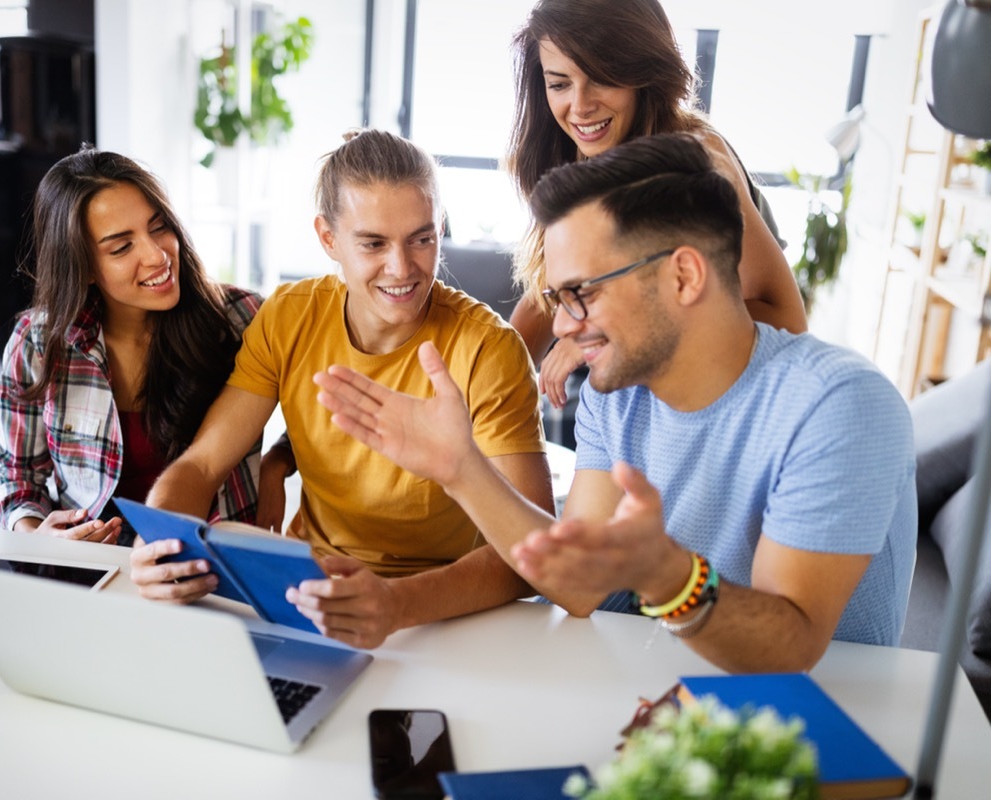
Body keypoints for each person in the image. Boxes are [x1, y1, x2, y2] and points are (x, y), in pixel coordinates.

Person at [314, 133, 915, 673]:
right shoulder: (616, 396)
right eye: (558, 298)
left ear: (683, 276)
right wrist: (459, 467)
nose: (566, 328)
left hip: (821, 726)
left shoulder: (839, 405)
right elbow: (577, 588)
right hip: (663, 690)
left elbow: (791, 649)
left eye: (582, 293)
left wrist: (665, 575)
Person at [133, 129, 553, 649]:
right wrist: (160, 543)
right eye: (373, 243)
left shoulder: (488, 348)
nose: (402, 268)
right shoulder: (289, 316)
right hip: (309, 594)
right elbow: (201, 464)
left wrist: (399, 605)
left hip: (445, 612)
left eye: (422, 238)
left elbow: (530, 559)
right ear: (328, 238)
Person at [506, 0, 807, 408]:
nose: (579, 106)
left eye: (602, 78)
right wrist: (487, 372)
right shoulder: (583, 154)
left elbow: (787, 321)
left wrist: (607, 329)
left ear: (643, 70)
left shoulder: (699, 156)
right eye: (559, 84)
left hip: (743, 394)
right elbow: (547, 297)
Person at [0, 147, 263, 544]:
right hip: (92, 567)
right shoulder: (36, 344)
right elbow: (16, 476)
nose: (157, 256)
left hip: (216, 565)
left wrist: (278, 462)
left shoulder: (242, 319)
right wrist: (37, 534)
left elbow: (322, 398)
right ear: (81, 267)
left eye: (159, 228)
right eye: (121, 247)